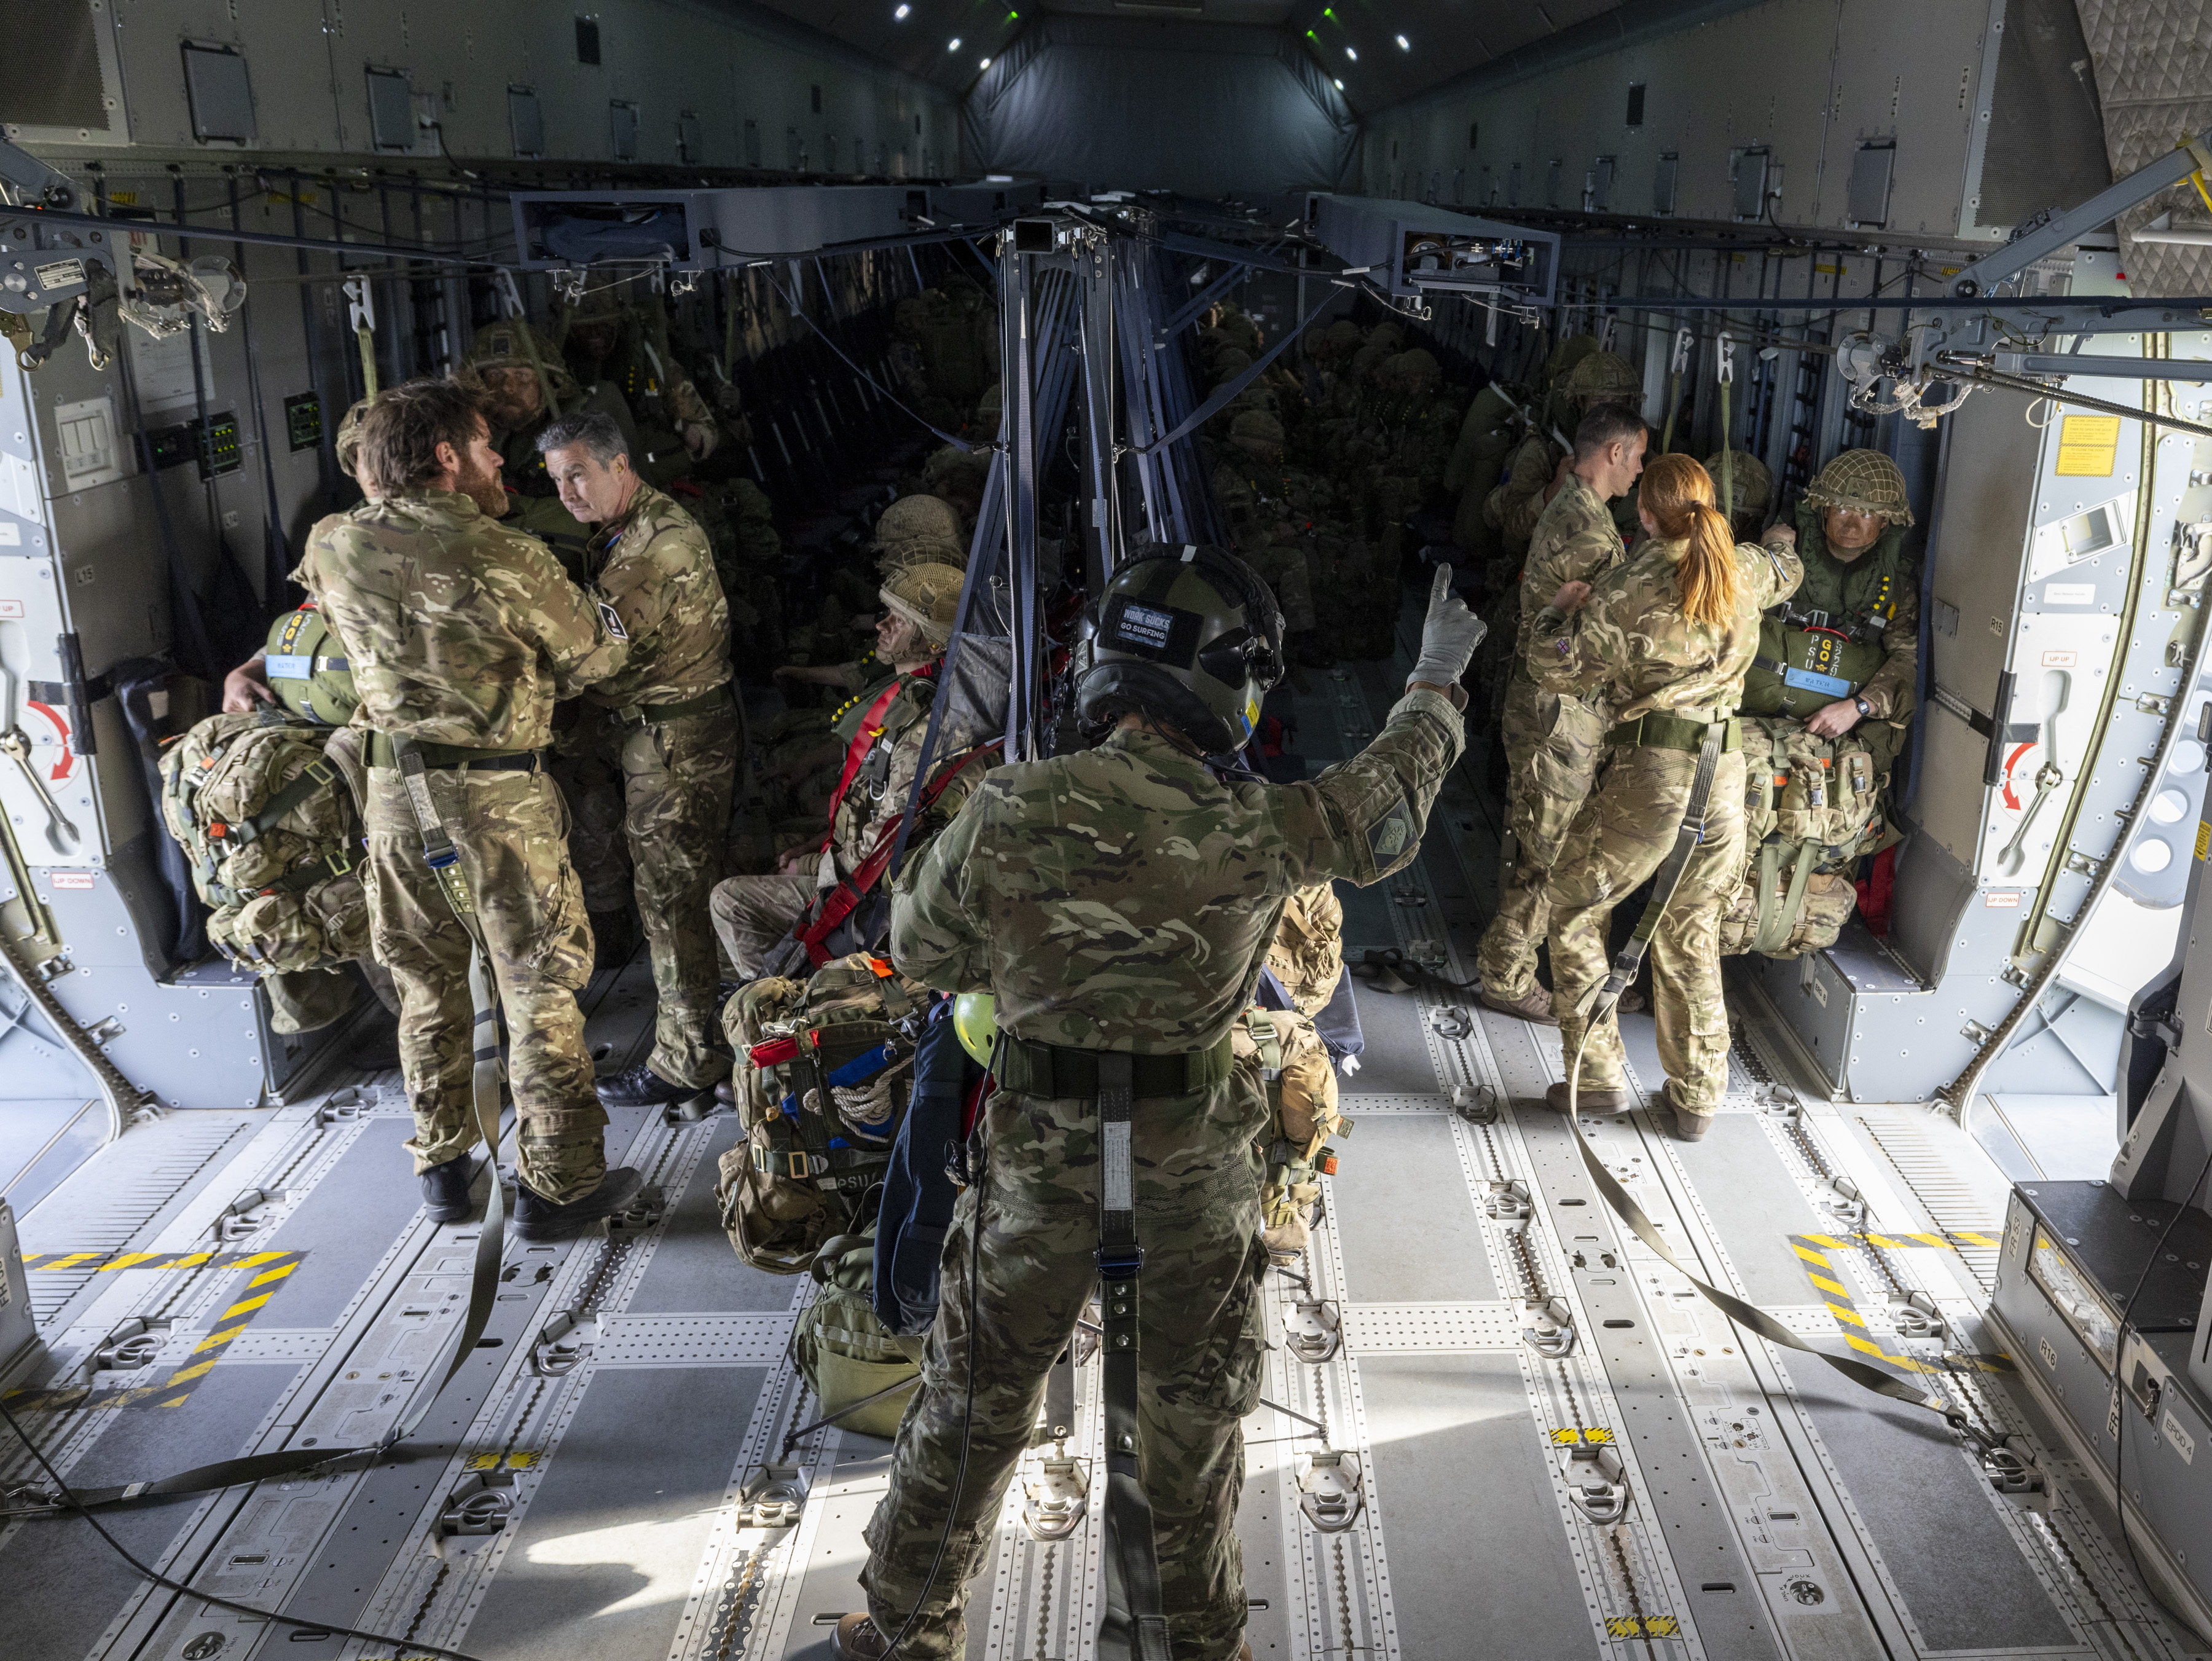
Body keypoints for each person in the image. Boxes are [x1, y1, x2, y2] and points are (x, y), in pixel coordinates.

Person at [830, 554, 1480, 1661]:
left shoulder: (1010, 806)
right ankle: (1188, 1643)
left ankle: (906, 1627)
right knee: (1186, 1425)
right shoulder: (1258, 824)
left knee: (975, 1403)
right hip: (1190, 1176)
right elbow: (1381, 812)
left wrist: (1033, 959)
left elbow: (922, 948)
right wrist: (1432, 683)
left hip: (1036, 1168)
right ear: (1230, 682)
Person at [296, 378, 640, 1239]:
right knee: (537, 983)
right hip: (497, 800)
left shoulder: (334, 544)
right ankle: (559, 1185)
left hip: (393, 800)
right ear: (447, 457)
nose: (498, 461)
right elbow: (594, 658)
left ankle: (444, 1169)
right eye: (487, 446)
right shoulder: (508, 554)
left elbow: (327, 614)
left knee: (425, 982)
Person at [1528, 454, 1803, 1140]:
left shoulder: (1628, 584)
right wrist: (1782, 541)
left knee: (1575, 906)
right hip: (1726, 776)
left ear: (1646, 516)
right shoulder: (1744, 568)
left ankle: (1597, 1079)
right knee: (1691, 930)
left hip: (1652, 780)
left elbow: (1556, 668)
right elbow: (1787, 570)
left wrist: (1555, 615)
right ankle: (1698, 1097)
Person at [534, 409, 739, 1111]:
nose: (567, 493)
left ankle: (687, 1061)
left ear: (620, 466)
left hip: (673, 745)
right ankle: (706, 1033)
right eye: (557, 481)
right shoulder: (630, 530)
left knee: (673, 899)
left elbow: (597, 654)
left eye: (578, 475)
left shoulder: (653, 549)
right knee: (678, 890)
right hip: (660, 735)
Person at [710, 562, 970, 979]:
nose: (882, 626)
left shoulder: (924, 725)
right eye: (887, 614)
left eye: (900, 621)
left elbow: (885, 843)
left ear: (934, 641)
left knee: (729, 901)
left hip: (870, 895)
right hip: (849, 860)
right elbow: (865, 809)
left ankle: (784, 1004)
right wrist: (812, 848)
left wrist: (811, 866)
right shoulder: (902, 698)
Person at [1476, 402, 1649, 1024]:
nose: (1639, 472)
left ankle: (1569, 975)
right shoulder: (1589, 534)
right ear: (1615, 453)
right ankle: (1506, 977)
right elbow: (1582, 643)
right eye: (1638, 458)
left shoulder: (1576, 507)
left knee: (1549, 845)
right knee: (1545, 853)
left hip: (1554, 710)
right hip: (1561, 715)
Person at [1739, 448, 1919, 776]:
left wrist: (1858, 707)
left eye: (1866, 514)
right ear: (1824, 511)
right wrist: (1771, 555)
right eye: (1843, 509)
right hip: (1752, 711)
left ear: (1884, 522)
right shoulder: (1782, 552)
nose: (1852, 524)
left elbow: (1907, 661)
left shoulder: (1897, 586)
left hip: (1838, 731)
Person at [452, 315, 640, 579]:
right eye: (495, 375)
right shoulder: (465, 433)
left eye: (522, 375)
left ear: (549, 382)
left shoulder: (583, 425)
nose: (508, 387)